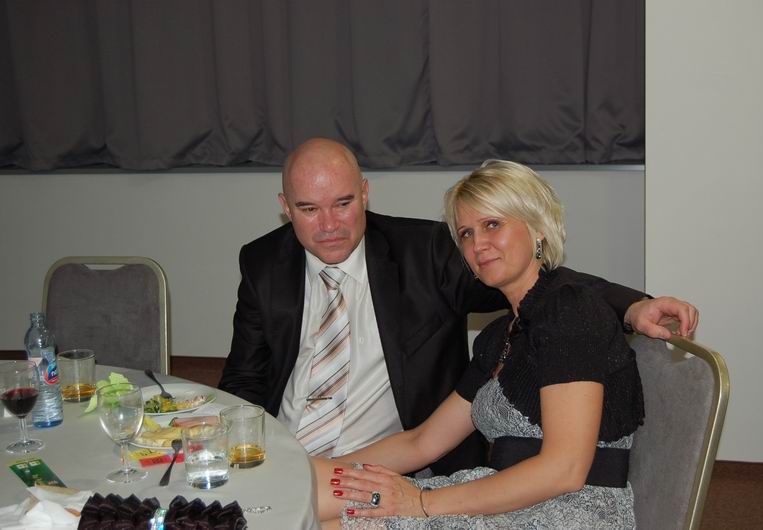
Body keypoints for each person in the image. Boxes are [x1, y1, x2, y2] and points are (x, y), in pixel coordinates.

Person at [218, 138, 697, 474]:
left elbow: (535, 278)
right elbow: (243, 380)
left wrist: (630, 306)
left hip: (397, 460)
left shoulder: (424, 253)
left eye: (342, 203)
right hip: (285, 451)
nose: (329, 225)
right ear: (285, 206)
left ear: (364, 193)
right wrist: (258, 458)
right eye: (308, 209)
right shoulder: (262, 262)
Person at [314, 160, 649, 529]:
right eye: (466, 233)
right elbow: (422, 443)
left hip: (571, 510)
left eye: (492, 224)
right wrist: (317, 469)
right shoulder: (500, 335)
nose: (478, 245)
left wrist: (422, 502)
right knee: (312, 492)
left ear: (538, 227)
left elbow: (565, 470)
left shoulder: (569, 311)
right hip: (502, 496)